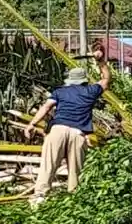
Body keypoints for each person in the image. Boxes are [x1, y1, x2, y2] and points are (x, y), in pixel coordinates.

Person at [24, 50, 110, 203]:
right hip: (78, 134)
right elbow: (106, 79)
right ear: (84, 80)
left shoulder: (60, 92)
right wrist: (101, 61)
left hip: (57, 131)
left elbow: (45, 108)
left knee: (48, 166)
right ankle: (73, 201)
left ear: (70, 80)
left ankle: (39, 199)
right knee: (75, 172)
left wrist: (32, 124)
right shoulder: (90, 91)